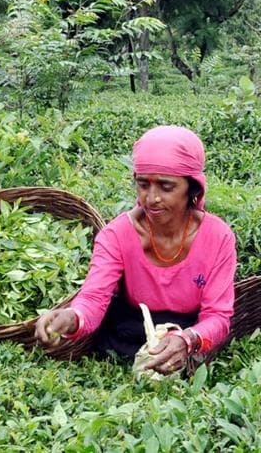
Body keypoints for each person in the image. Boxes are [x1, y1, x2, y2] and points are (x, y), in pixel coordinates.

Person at [35, 126, 236, 375]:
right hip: (131, 328)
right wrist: (71, 318)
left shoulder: (218, 237)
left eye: (166, 186)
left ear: (192, 188)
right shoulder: (117, 235)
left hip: (191, 329)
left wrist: (188, 340)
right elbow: (94, 298)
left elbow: (217, 316)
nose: (151, 198)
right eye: (143, 184)